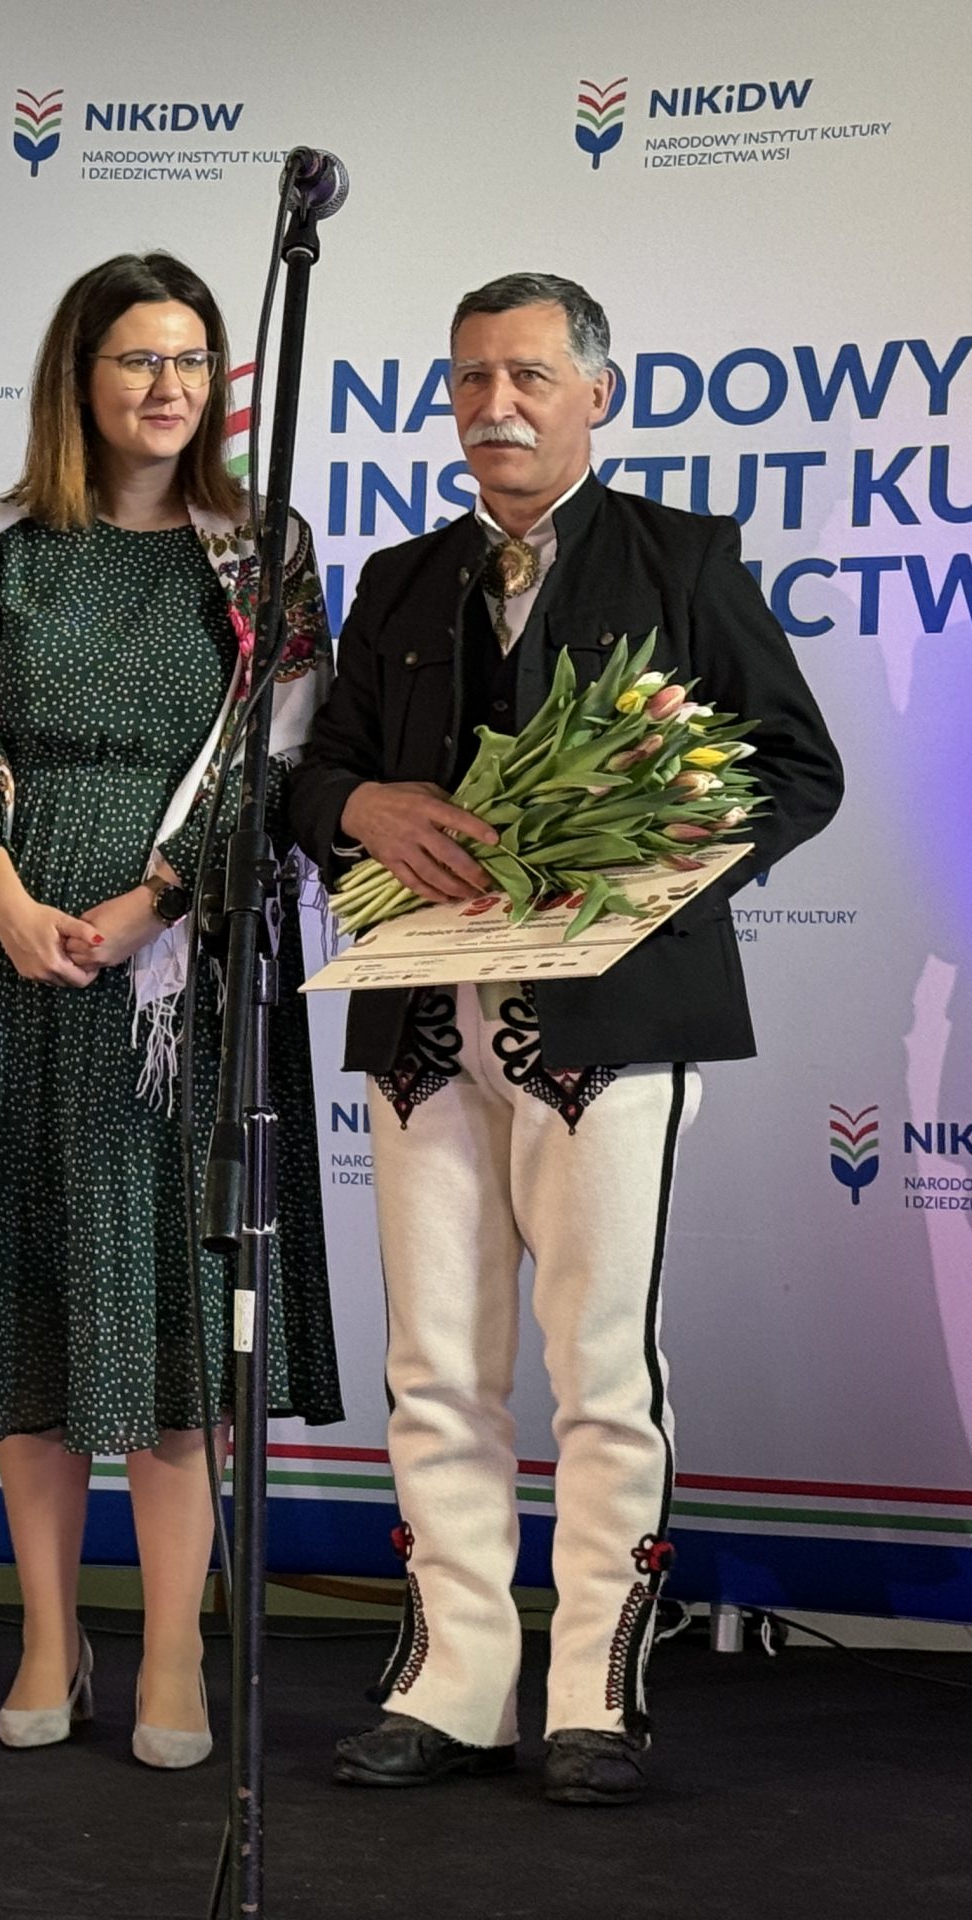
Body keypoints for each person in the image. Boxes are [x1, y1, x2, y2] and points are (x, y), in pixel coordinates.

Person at [289, 272, 842, 1805]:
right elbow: (311, 777)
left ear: (598, 393)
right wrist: (360, 806)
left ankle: (596, 1692)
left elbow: (795, 768)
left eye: (528, 376)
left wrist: (642, 866)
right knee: (433, 1370)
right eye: (471, 379)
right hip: (422, 1026)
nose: (496, 407)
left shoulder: (680, 559)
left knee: (601, 1369)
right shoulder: (400, 580)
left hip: (613, 1020)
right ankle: (454, 1686)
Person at [0, 252, 344, 1765]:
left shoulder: (261, 550)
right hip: (11, 972)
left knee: (175, 1326)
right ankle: (47, 1638)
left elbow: (279, 755)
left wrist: (154, 901)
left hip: (180, 984)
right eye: (139, 358)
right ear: (79, 377)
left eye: (193, 360)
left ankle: (174, 1655)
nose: (168, 387)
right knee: (35, 1318)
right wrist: (9, 904)